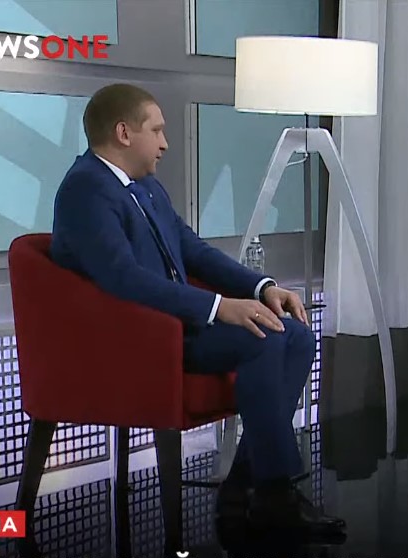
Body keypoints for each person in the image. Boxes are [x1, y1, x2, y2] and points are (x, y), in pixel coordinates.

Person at [50, 83, 343, 535]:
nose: (165, 143)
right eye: (156, 131)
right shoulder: (85, 190)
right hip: (138, 338)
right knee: (265, 339)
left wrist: (262, 287)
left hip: (178, 326)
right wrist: (218, 307)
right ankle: (275, 493)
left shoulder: (144, 187)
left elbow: (193, 250)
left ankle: (245, 485)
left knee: (298, 335)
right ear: (124, 133)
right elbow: (122, 278)